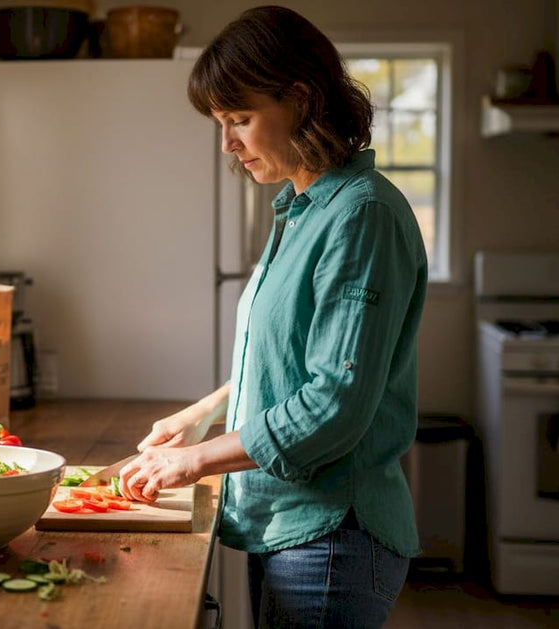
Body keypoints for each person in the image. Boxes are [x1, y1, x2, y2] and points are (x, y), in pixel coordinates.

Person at [116, 6, 428, 628]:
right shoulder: (304, 208)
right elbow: (291, 355)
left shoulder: (361, 215)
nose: (228, 143)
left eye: (240, 119)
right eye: (220, 123)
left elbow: (334, 404)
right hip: (292, 525)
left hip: (333, 535)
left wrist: (193, 462)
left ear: (303, 101)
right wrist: (203, 414)